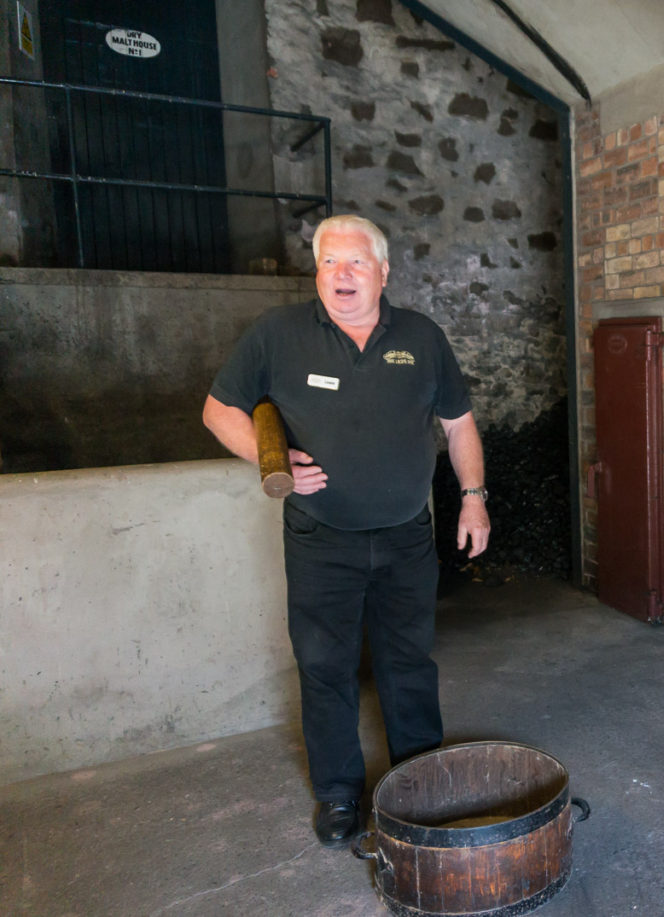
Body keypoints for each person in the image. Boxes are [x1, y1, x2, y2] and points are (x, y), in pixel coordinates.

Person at [203, 214, 490, 847]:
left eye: (356, 262)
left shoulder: (421, 337)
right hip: (320, 539)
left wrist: (473, 500)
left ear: (384, 272)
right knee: (324, 665)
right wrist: (269, 458)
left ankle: (418, 781)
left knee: (408, 661)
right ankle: (338, 796)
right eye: (330, 262)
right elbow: (218, 410)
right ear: (317, 273)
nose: (342, 274)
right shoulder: (277, 335)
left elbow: (460, 424)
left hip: (406, 534)